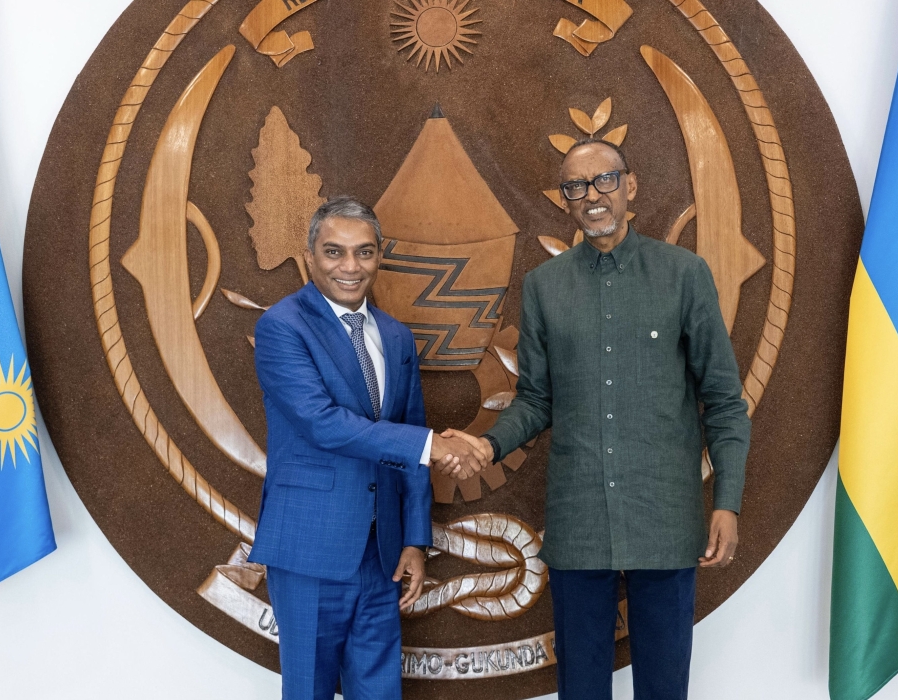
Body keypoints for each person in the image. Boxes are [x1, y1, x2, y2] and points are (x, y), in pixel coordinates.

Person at [450, 140, 751, 699]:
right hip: (579, 525)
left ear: (629, 186)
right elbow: (536, 399)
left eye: (604, 181)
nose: (592, 196)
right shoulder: (545, 286)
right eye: (575, 187)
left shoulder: (684, 274)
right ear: (564, 200)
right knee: (581, 688)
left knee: (664, 688)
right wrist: (487, 447)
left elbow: (725, 402)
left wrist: (726, 503)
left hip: (663, 522)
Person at [249, 196, 487, 700]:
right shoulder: (281, 327)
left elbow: (410, 445)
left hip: (382, 558)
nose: (350, 267)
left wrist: (415, 541)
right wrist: (432, 444)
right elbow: (323, 424)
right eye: (334, 252)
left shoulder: (397, 338)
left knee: (380, 691)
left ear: (380, 256)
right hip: (310, 549)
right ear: (310, 255)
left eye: (364, 252)